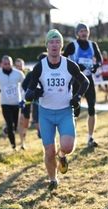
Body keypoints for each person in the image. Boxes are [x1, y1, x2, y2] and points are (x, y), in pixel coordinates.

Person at [25, 29, 89, 191]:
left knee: (67, 147)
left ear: (61, 46)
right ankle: (53, 179)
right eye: (51, 42)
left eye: (57, 42)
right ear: (47, 46)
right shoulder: (40, 67)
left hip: (64, 112)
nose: (54, 45)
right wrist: (35, 93)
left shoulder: (69, 65)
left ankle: (62, 157)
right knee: (49, 150)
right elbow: (27, 94)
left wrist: (77, 97)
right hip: (45, 113)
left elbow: (85, 82)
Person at [63, 23, 102, 147]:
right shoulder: (72, 45)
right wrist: (77, 67)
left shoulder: (92, 45)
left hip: (89, 80)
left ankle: (90, 137)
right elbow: (63, 59)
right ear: (77, 33)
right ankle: (71, 136)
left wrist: (96, 66)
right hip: (76, 81)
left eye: (85, 31)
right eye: (81, 31)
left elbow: (99, 59)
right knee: (75, 110)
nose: (84, 33)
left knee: (92, 108)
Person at [0, 55, 26, 150]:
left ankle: (6, 129)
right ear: (1, 64)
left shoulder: (18, 74)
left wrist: (23, 99)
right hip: (5, 103)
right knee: (10, 124)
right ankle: (13, 146)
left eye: (9, 64)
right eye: (5, 64)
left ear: (12, 64)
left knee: (15, 127)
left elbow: (25, 87)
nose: (7, 65)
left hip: (16, 103)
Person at [21, 52, 48, 139]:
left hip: (48, 100)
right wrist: (31, 93)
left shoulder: (51, 72)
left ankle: (44, 132)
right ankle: (40, 131)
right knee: (36, 119)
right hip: (36, 100)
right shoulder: (33, 73)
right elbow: (24, 85)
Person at [14, 58, 32, 146]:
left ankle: (22, 131)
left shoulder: (27, 74)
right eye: (17, 66)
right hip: (18, 101)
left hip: (27, 102)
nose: (19, 68)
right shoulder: (13, 75)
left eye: (20, 66)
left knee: (26, 124)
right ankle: (22, 143)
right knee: (20, 122)